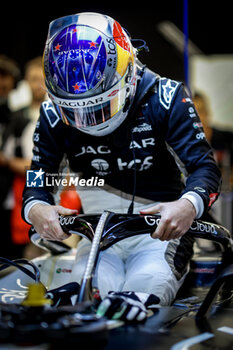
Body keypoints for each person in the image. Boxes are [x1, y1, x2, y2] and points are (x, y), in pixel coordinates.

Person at [21, 13, 221, 321]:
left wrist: (187, 205)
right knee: (87, 303)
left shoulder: (165, 97)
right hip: (97, 236)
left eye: (99, 106)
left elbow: (205, 168)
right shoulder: (50, 114)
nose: (88, 121)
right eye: (75, 111)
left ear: (126, 74)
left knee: (142, 293)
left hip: (161, 235)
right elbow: (39, 177)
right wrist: (37, 208)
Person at [1, 57, 46, 259]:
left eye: (41, 79)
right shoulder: (17, 117)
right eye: (32, 79)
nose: (37, 84)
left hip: (61, 195)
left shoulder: (62, 115)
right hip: (21, 194)